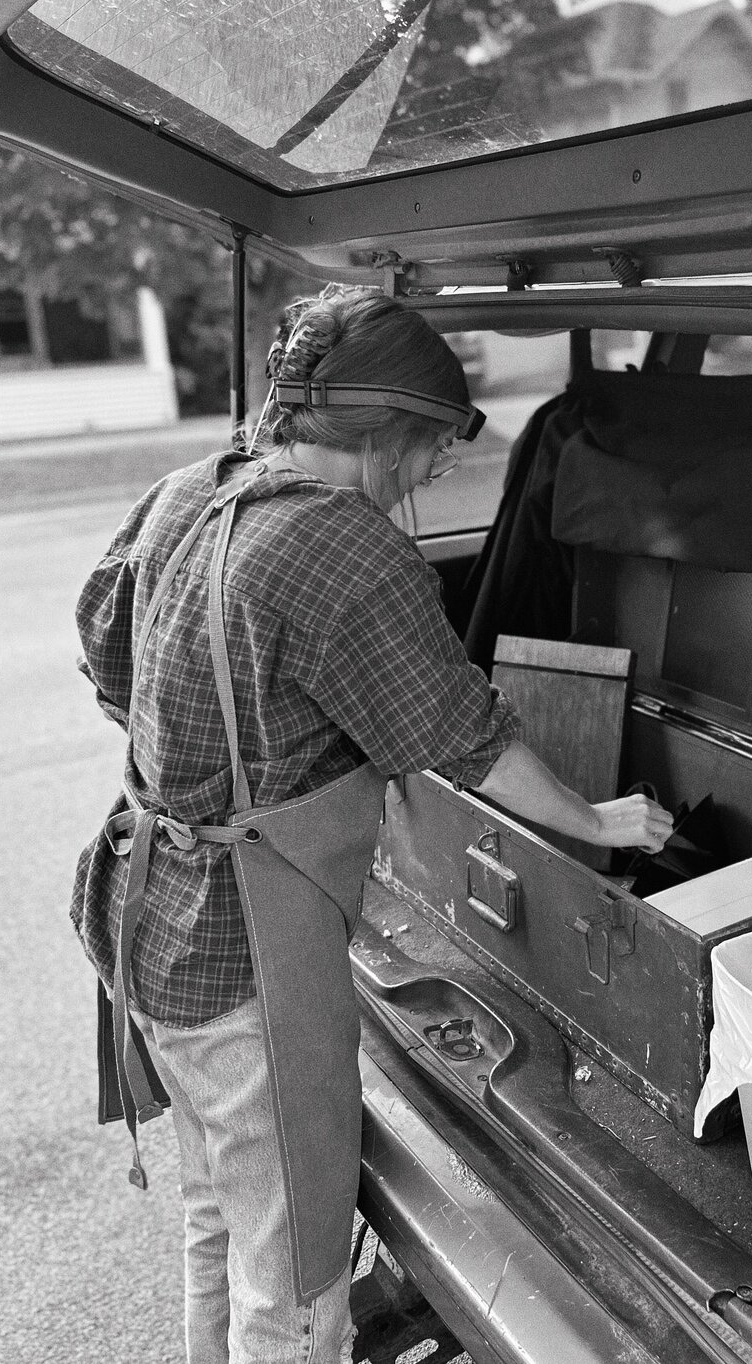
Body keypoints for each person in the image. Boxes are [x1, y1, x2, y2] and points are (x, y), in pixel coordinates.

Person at [71, 284, 672, 1364]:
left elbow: (107, 654)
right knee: (295, 1285)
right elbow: (469, 742)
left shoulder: (191, 490)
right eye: (435, 448)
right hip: (240, 956)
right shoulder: (342, 547)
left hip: (143, 912)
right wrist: (598, 818)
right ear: (389, 433)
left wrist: (209, 774)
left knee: (219, 1217)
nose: (436, 472)